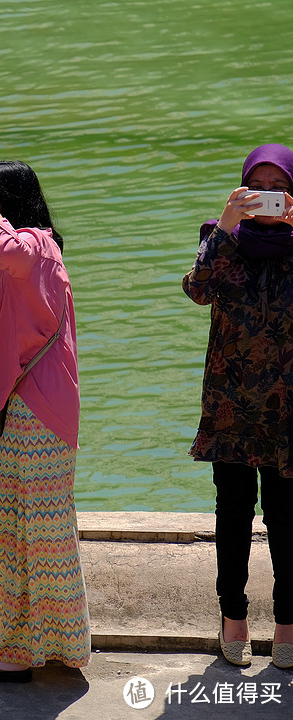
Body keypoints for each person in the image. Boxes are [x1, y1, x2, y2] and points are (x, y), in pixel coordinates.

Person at [0, 160, 90, 683]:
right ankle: (32, 645)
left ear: (10, 202)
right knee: (22, 530)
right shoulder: (33, 252)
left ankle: (19, 648)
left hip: (39, 408)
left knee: (34, 533)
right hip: (31, 408)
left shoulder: (36, 244)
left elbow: (12, 250)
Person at [182, 143, 293, 669]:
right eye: (258, 187)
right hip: (230, 406)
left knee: (288, 519)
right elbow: (198, 290)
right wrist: (225, 227)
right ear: (242, 192)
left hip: (287, 408)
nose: (269, 197)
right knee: (232, 515)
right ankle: (234, 621)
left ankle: (288, 627)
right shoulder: (220, 240)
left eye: (280, 187)